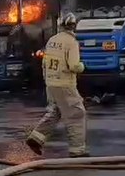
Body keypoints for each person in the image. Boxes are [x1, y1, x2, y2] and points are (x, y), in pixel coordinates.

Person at [25, 13, 89, 158]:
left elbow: (44, 64)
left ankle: (36, 138)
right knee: (76, 114)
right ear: (74, 26)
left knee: (55, 111)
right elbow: (73, 66)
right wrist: (82, 66)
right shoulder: (71, 42)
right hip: (65, 84)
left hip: (51, 83)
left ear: (61, 25)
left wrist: (47, 81)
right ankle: (78, 151)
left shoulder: (52, 40)